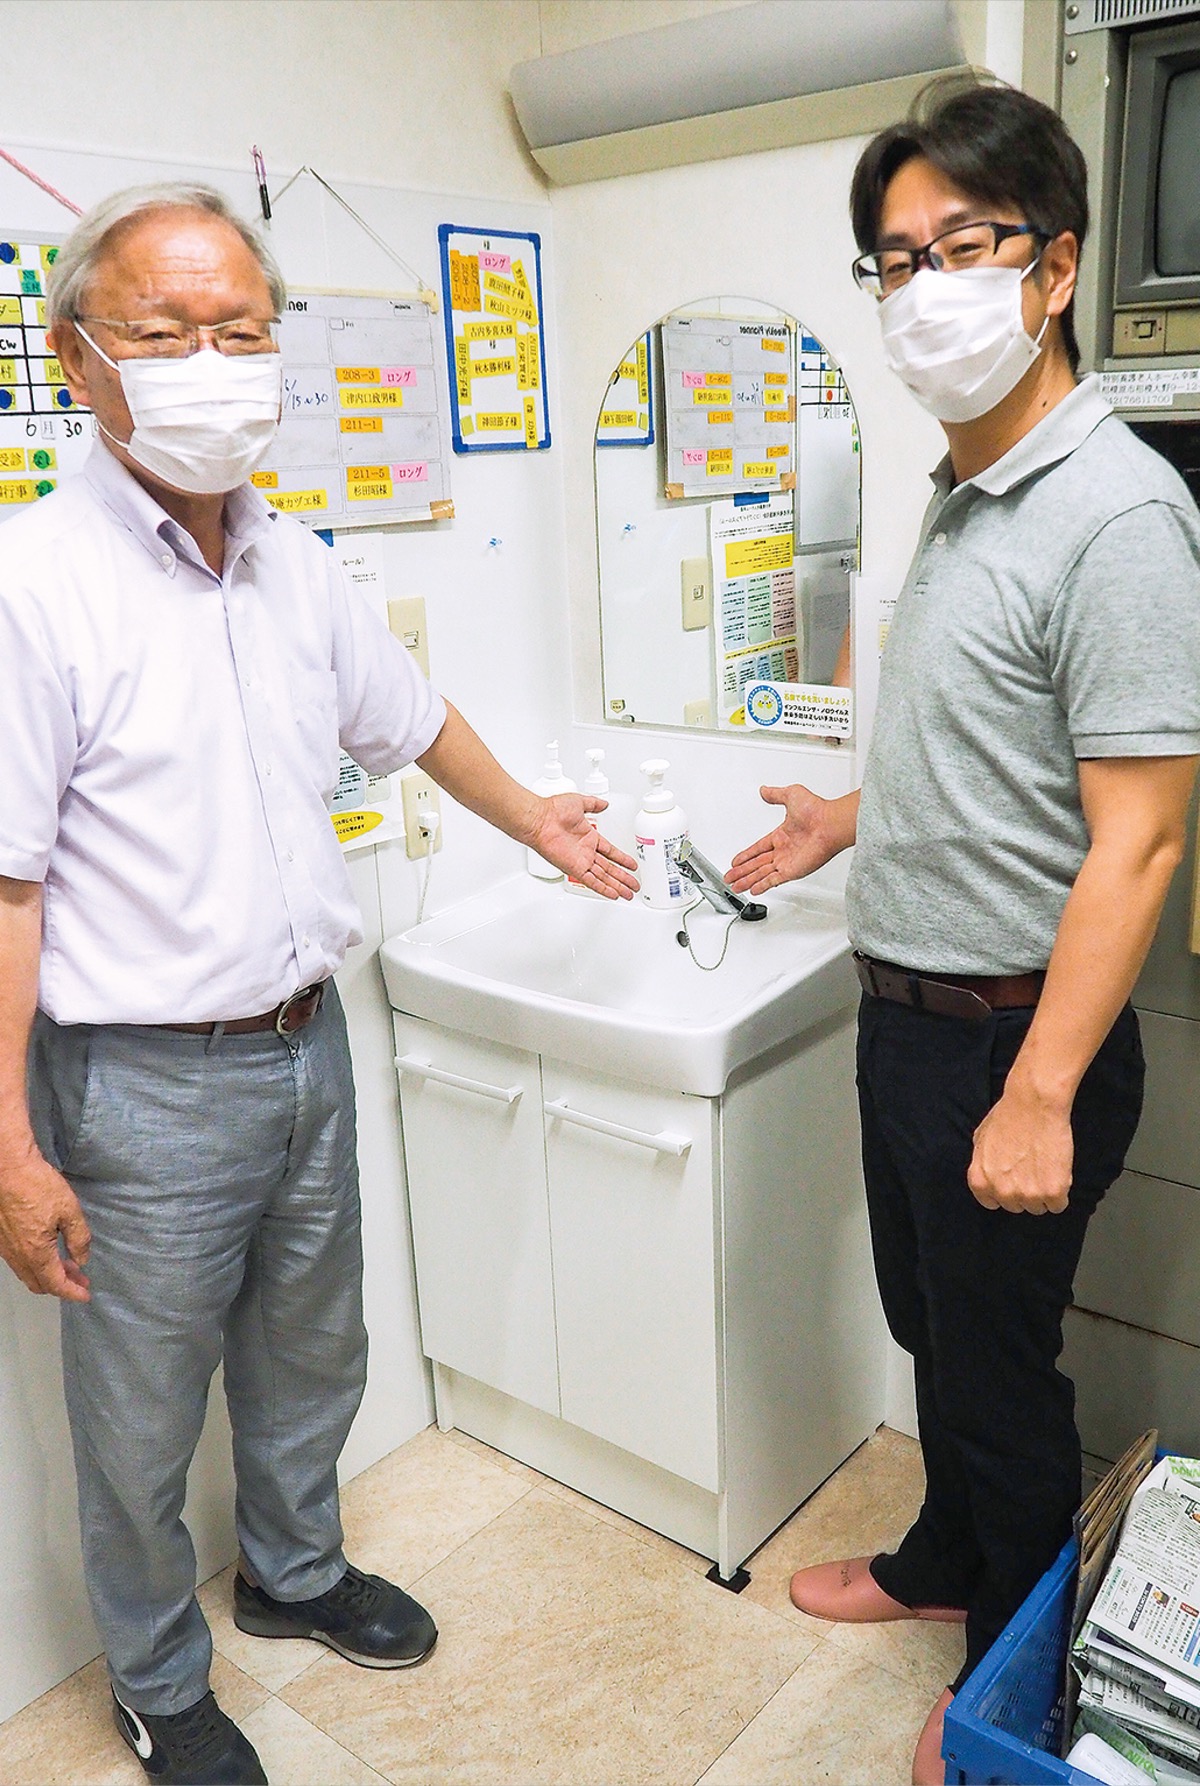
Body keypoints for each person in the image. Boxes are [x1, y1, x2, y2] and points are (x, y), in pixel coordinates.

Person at [0, 182, 637, 1786]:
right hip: (138, 1082)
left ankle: (292, 1572)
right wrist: (7, 1141)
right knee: (141, 1417)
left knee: (311, 1348)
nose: (211, 362)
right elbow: (6, 885)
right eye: (164, 332)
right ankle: (158, 1677)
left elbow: (411, 716)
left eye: (240, 331)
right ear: (77, 357)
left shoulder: (293, 559)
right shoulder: (33, 584)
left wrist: (538, 819)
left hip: (306, 1043)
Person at [728, 76, 1200, 1786]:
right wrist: (849, 818)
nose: (922, 285)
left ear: (1054, 268)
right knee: (935, 1329)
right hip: (911, 1020)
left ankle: (1014, 1671)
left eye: (963, 245)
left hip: (1013, 1039)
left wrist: (1040, 1092)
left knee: (1003, 1381)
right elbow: (1004, 745)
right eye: (895, 256)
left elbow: (1141, 841)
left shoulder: (1120, 514)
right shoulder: (968, 481)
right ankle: (945, 1558)